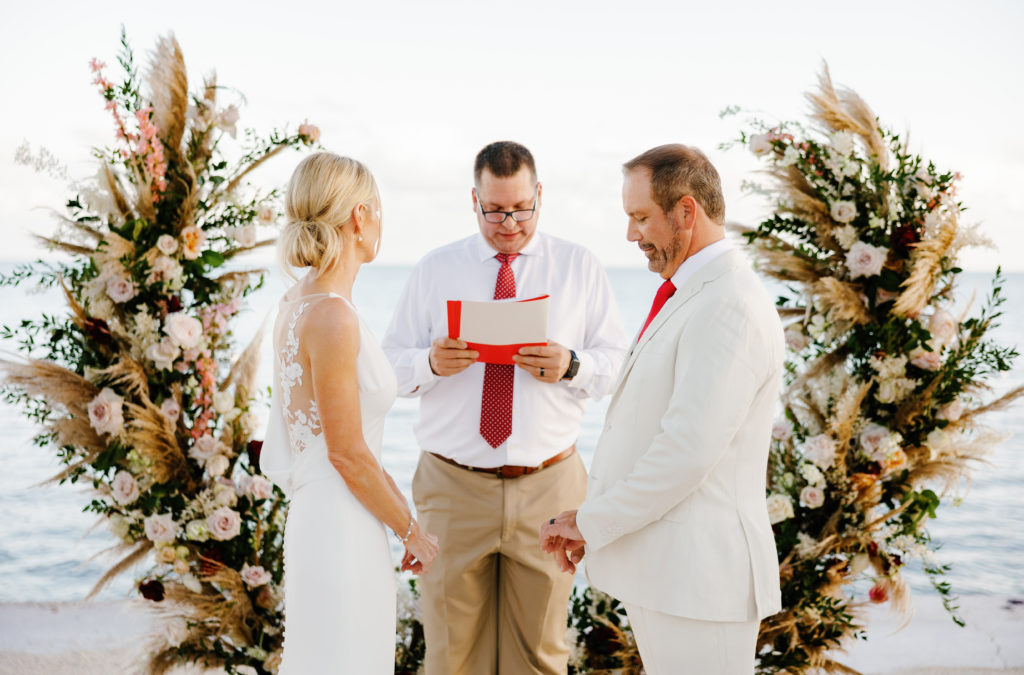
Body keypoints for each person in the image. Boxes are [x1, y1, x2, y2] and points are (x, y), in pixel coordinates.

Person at [382, 141, 628, 674]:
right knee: (451, 656)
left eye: (521, 208)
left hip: (549, 487)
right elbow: (386, 370)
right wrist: (429, 363)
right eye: (495, 210)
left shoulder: (579, 267)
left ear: (540, 196)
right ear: (474, 201)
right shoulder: (435, 268)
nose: (509, 222)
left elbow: (617, 366)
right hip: (452, 486)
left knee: (541, 656)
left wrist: (571, 365)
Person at [541, 144, 784, 674]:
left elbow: (686, 452)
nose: (632, 235)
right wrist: (596, 525)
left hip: (703, 583)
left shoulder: (730, 305)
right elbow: (646, 428)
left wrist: (593, 520)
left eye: (641, 218)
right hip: (672, 575)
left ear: (686, 212)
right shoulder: (691, 294)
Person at [260, 152, 439, 673]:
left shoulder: (298, 301)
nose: (381, 221)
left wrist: (400, 516)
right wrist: (412, 532)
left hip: (328, 518)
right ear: (359, 216)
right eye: (378, 209)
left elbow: (347, 444)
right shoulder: (333, 317)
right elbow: (347, 452)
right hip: (340, 527)